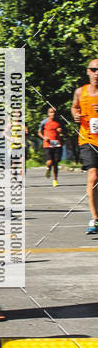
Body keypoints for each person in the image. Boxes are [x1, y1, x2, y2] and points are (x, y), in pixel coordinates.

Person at [71, 59, 98, 234]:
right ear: (88, 71)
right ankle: (95, 218)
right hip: (88, 139)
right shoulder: (80, 92)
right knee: (93, 177)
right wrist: (75, 115)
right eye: (93, 69)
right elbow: (74, 107)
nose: (97, 73)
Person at [38, 107, 63, 186]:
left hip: (57, 143)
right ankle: (48, 168)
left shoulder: (59, 122)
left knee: (55, 163)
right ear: (48, 113)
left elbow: (65, 132)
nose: (53, 114)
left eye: (54, 112)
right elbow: (39, 132)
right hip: (47, 144)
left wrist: (61, 131)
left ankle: (55, 180)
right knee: (50, 162)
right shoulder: (44, 122)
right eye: (51, 112)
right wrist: (44, 137)